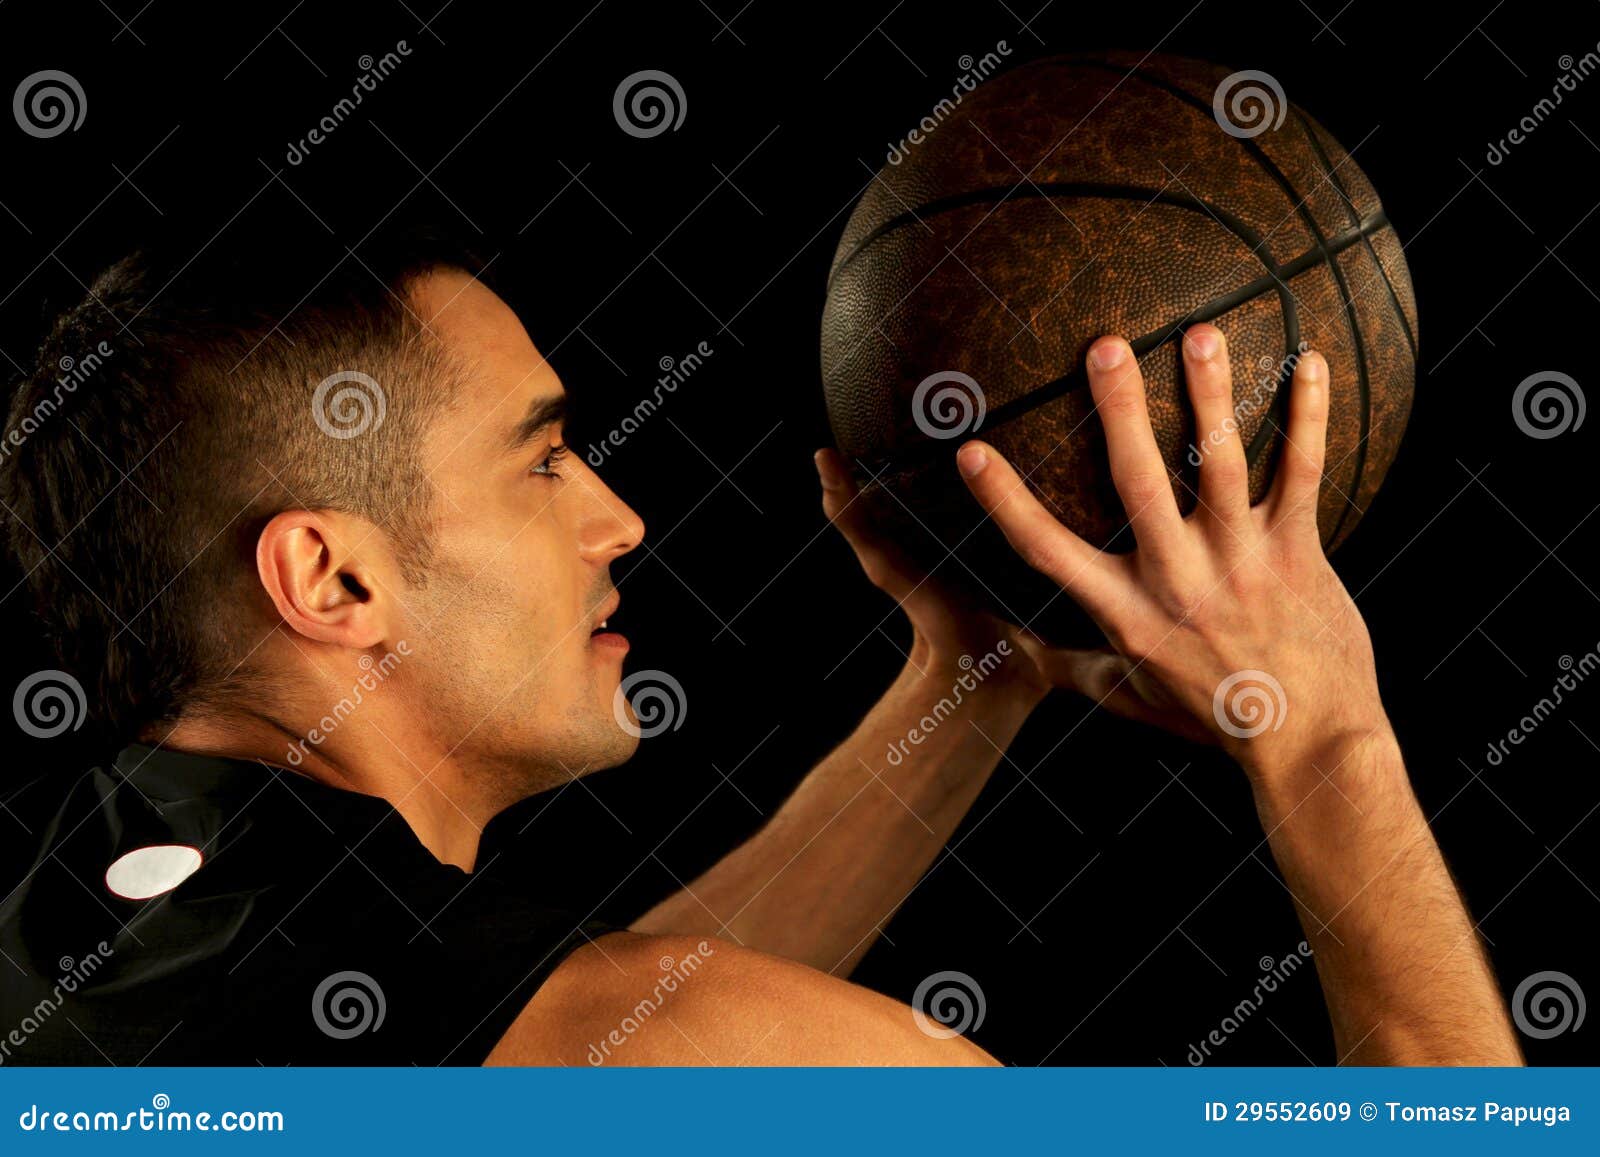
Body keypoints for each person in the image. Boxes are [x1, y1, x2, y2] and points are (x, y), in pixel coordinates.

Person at [0, 233, 1522, 1065]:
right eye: (542, 462)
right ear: (330, 575)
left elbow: (601, 1027)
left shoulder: (92, 920)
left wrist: (971, 679)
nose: (619, 516)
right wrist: (1326, 732)